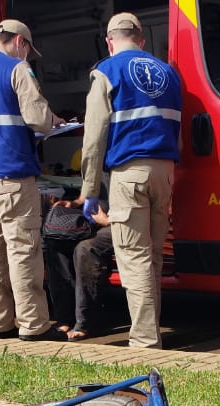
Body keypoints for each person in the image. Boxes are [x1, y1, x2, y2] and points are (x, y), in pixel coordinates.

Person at [80, 12, 181, 348]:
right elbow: (176, 130)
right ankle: (152, 331)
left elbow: (94, 138)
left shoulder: (107, 71)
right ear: (141, 38)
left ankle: (144, 341)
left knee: (134, 258)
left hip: (129, 174)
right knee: (152, 257)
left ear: (110, 41)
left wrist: (90, 190)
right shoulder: (168, 73)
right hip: (164, 171)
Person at [0, 19, 67, 341]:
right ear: (20, 42)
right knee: (24, 250)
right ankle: (34, 327)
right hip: (13, 177)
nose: (28, 57)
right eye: (28, 51)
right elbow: (37, 118)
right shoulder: (17, 69)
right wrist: (54, 122)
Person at [42, 199, 116, 341]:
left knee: (85, 249)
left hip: (118, 222)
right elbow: (91, 187)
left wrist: (108, 220)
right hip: (92, 216)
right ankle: (64, 318)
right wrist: (76, 202)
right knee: (56, 238)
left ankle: (85, 322)